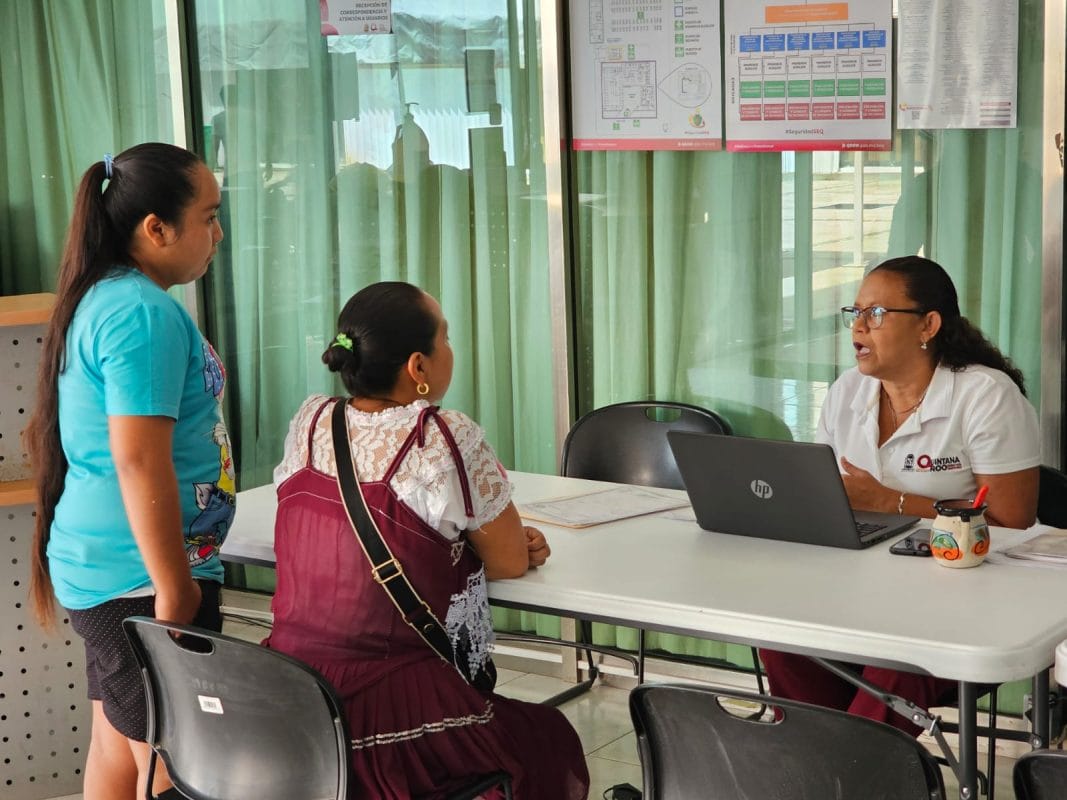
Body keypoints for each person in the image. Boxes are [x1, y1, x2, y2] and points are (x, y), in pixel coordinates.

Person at [265, 281, 589, 799]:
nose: (451, 351)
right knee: (548, 740)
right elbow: (506, 561)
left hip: (294, 698)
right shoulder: (442, 433)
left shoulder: (312, 420)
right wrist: (500, 543)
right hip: (389, 709)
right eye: (446, 338)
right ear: (419, 367)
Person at [25, 143, 233, 800]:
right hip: (142, 579)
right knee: (173, 767)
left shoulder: (108, 296)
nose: (218, 234)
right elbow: (138, 459)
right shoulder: (140, 313)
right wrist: (173, 588)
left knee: (120, 750)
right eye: (209, 216)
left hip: (112, 569)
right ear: (156, 228)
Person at [760, 254, 1040, 735]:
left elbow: (1012, 520)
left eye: (877, 314)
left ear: (927, 325)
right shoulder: (847, 391)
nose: (859, 328)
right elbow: (829, 492)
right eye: (854, 313)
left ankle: (855, 771)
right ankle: (819, 759)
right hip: (860, 585)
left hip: (964, 596)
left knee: (895, 659)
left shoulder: (984, 395)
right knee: (780, 636)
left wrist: (892, 502)